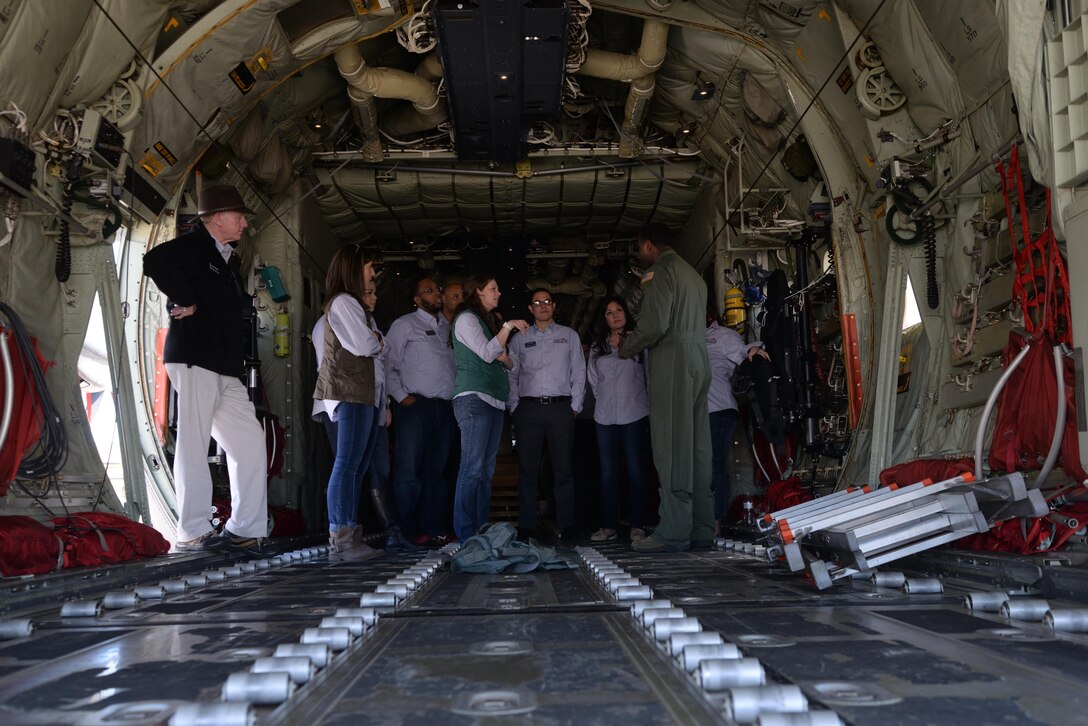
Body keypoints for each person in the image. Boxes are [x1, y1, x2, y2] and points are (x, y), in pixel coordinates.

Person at [142, 184, 268, 553]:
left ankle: (245, 527)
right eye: (239, 216)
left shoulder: (223, 257)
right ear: (217, 219)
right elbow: (154, 262)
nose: (244, 223)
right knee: (194, 444)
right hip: (196, 358)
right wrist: (187, 299)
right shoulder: (195, 245)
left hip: (224, 366)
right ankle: (193, 530)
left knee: (249, 442)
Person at [620, 223, 713, 553]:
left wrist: (626, 348)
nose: (639, 256)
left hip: (672, 358)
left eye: (639, 250)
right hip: (699, 358)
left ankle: (673, 531)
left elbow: (655, 325)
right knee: (697, 446)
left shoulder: (658, 273)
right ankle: (702, 526)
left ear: (648, 245)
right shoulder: (693, 276)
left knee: (671, 445)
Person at [312, 244, 383, 559]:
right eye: (369, 267)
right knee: (347, 464)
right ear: (355, 269)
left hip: (361, 391)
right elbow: (366, 344)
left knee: (356, 466)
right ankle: (341, 537)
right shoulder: (343, 303)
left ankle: (350, 534)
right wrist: (379, 340)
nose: (372, 273)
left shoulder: (352, 305)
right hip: (347, 390)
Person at [450, 275, 528, 541]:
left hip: (494, 401)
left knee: (485, 471)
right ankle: (465, 532)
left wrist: (503, 351)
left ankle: (481, 529)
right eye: (493, 289)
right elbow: (487, 353)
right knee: (472, 468)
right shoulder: (466, 319)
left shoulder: (487, 322)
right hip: (474, 399)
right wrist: (507, 328)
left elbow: (513, 363)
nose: (499, 293)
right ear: (478, 292)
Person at [506, 288, 586, 544]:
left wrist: (575, 406)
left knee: (563, 470)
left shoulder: (569, 336)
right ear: (530, 308)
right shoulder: (519, 339)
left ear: (554, 306)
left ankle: (568, 525)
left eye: (547, 302)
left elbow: (578, 372)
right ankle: (527, 526)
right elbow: (511, 374)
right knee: (527, 470)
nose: (543, 306)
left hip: (560, 408)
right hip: (528, 409)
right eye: (537, 303)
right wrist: (514, 406)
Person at [385, 277, 457, 546]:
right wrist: (402, 398)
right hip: (415, 406)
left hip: (444, 407)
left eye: (437, 289)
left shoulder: (448, 328)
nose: (437, 293)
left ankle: (433, 528)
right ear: (416, 299)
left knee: (436, 473)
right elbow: (387, 363)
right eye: (428, 291)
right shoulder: (404, 325)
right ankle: (405, 531)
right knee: (408, 470)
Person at [587, 296, 650, 543]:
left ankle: (637, 526)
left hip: (634, 413)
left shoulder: (639, 342)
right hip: (604, 417)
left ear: (626, 312)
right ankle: (608, 527)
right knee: (607, 474)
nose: (615, 315)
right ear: (604, 319)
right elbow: (593, 381)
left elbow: (648, 376)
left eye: (619, 310)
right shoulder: (597, 347)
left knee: (636, 472)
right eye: (609, 312)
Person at [706, 314, 769, 534]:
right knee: (699, 467)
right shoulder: (682, 340)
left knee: (714, 464)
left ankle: (715, 520)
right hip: (692, 415)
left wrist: (753, 350)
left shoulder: (720, 336)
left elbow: (742, 350)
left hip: (719, 410)